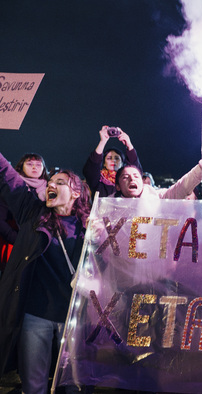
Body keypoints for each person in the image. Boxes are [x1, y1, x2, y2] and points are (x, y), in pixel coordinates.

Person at [0, 152, 91, 393]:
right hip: (35, 315)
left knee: (75, 385)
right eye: (50, 182)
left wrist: (104, 236)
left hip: (73, 319)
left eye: (60, 183)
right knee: (34, 385)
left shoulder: (91, 225)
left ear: (76, 193)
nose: (51, 184)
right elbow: (6, 175)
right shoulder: (32, 214)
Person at [0, 153, 49, 276]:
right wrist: (17, 239)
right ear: (21, 166)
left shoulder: (50, 188)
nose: (34, 167)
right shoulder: (12, 187)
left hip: (41, 247)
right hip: (15, 245)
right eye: (29, 164)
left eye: (38, 164)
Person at [83, 126, 142, 198]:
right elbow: (91, 168)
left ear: (122, 163)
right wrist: (102, 141)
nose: (113, 160)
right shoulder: (98, 181)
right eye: (109, 158)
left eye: (117, 158)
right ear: (103, 163)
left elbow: (135, 169)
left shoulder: (128, 180)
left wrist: (129, 144)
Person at [114, 162, 202, 199]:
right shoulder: (108, 205)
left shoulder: (157, 197)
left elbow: (180, 188)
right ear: (117, 186)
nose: (132, 179)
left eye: (136, 176)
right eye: (125, 177)